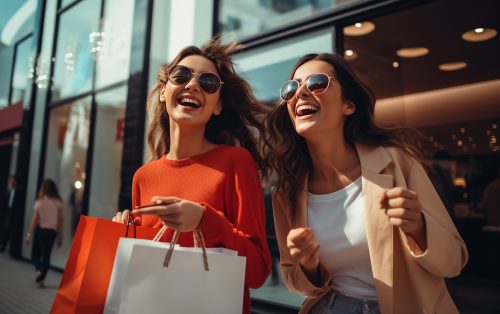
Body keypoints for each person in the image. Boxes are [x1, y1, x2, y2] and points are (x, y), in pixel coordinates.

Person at [265, 53, 468, 313]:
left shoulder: (395, 162)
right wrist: (307, 264)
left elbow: (453, 262)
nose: (301, 92)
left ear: (348, 105)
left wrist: (418, 226)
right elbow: (298, 285)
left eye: (316, 83)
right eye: (291, 87)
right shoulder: (287, 191)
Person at [112, 37, 271, 314]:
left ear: (218, 105)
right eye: (181, 75)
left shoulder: (235, 162)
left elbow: (258, 272)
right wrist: (123, 232)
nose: (193, 85)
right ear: (163, 91)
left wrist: (205, 221)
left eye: (208, 82)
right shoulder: (144, 176)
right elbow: (147, 262)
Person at [25, 179, 64, 288]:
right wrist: (61, 236)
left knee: (35, 254)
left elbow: (35, 219)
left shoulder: (40, 202)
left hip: (40, 231)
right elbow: (60, 220)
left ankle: (38, 271)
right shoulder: (58, 203)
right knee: (46, 256)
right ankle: (42, 279)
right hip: (52, 232)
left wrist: (29, 234)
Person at [0, 175, 17, 253]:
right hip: (6, 210)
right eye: (10, 180)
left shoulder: (17, 191)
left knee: (8, 229)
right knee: (5, 228)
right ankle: (3, 246)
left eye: (12, 180)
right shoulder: (7, 190)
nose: (11, 181)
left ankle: (8, 247)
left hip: (13, 211)